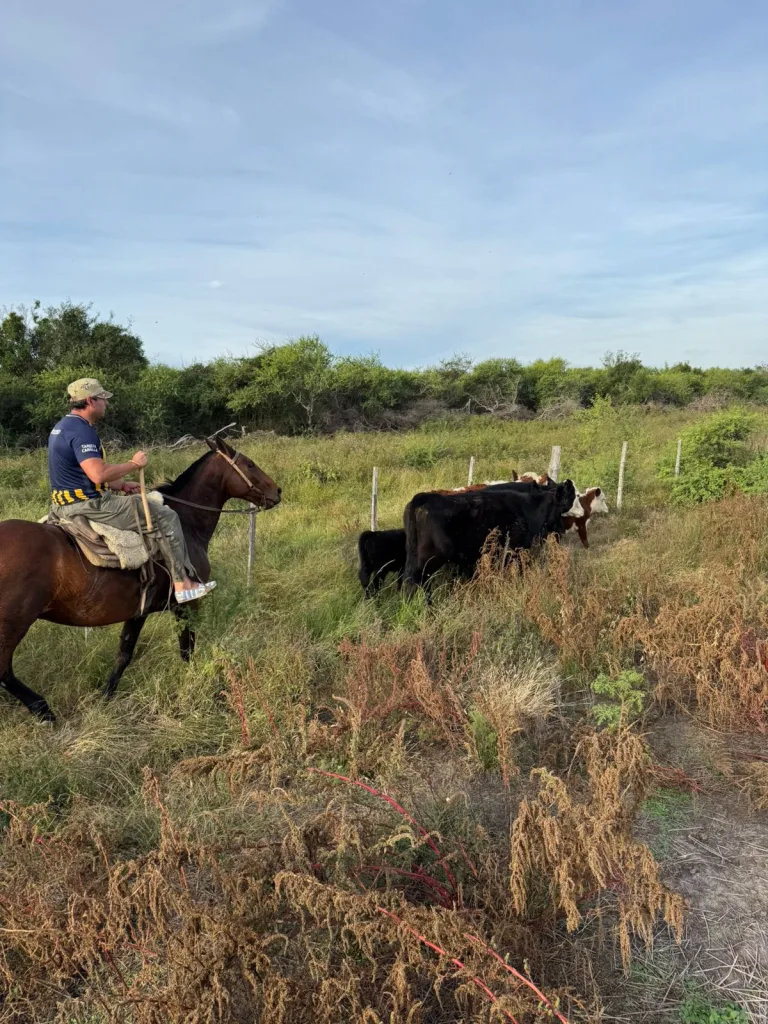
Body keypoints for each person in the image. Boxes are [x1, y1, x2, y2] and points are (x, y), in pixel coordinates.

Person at [48, 378, 216, 604]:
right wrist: (134, 464)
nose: (106, 404)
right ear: (90, 400)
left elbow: (79, 473)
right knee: (166, 517)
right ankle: (182, 584)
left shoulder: (61, 427)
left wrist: (121, 484)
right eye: (103, 399)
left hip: (62, 504)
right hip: (90, 505)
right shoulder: (83, 432)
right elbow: (97, 474)